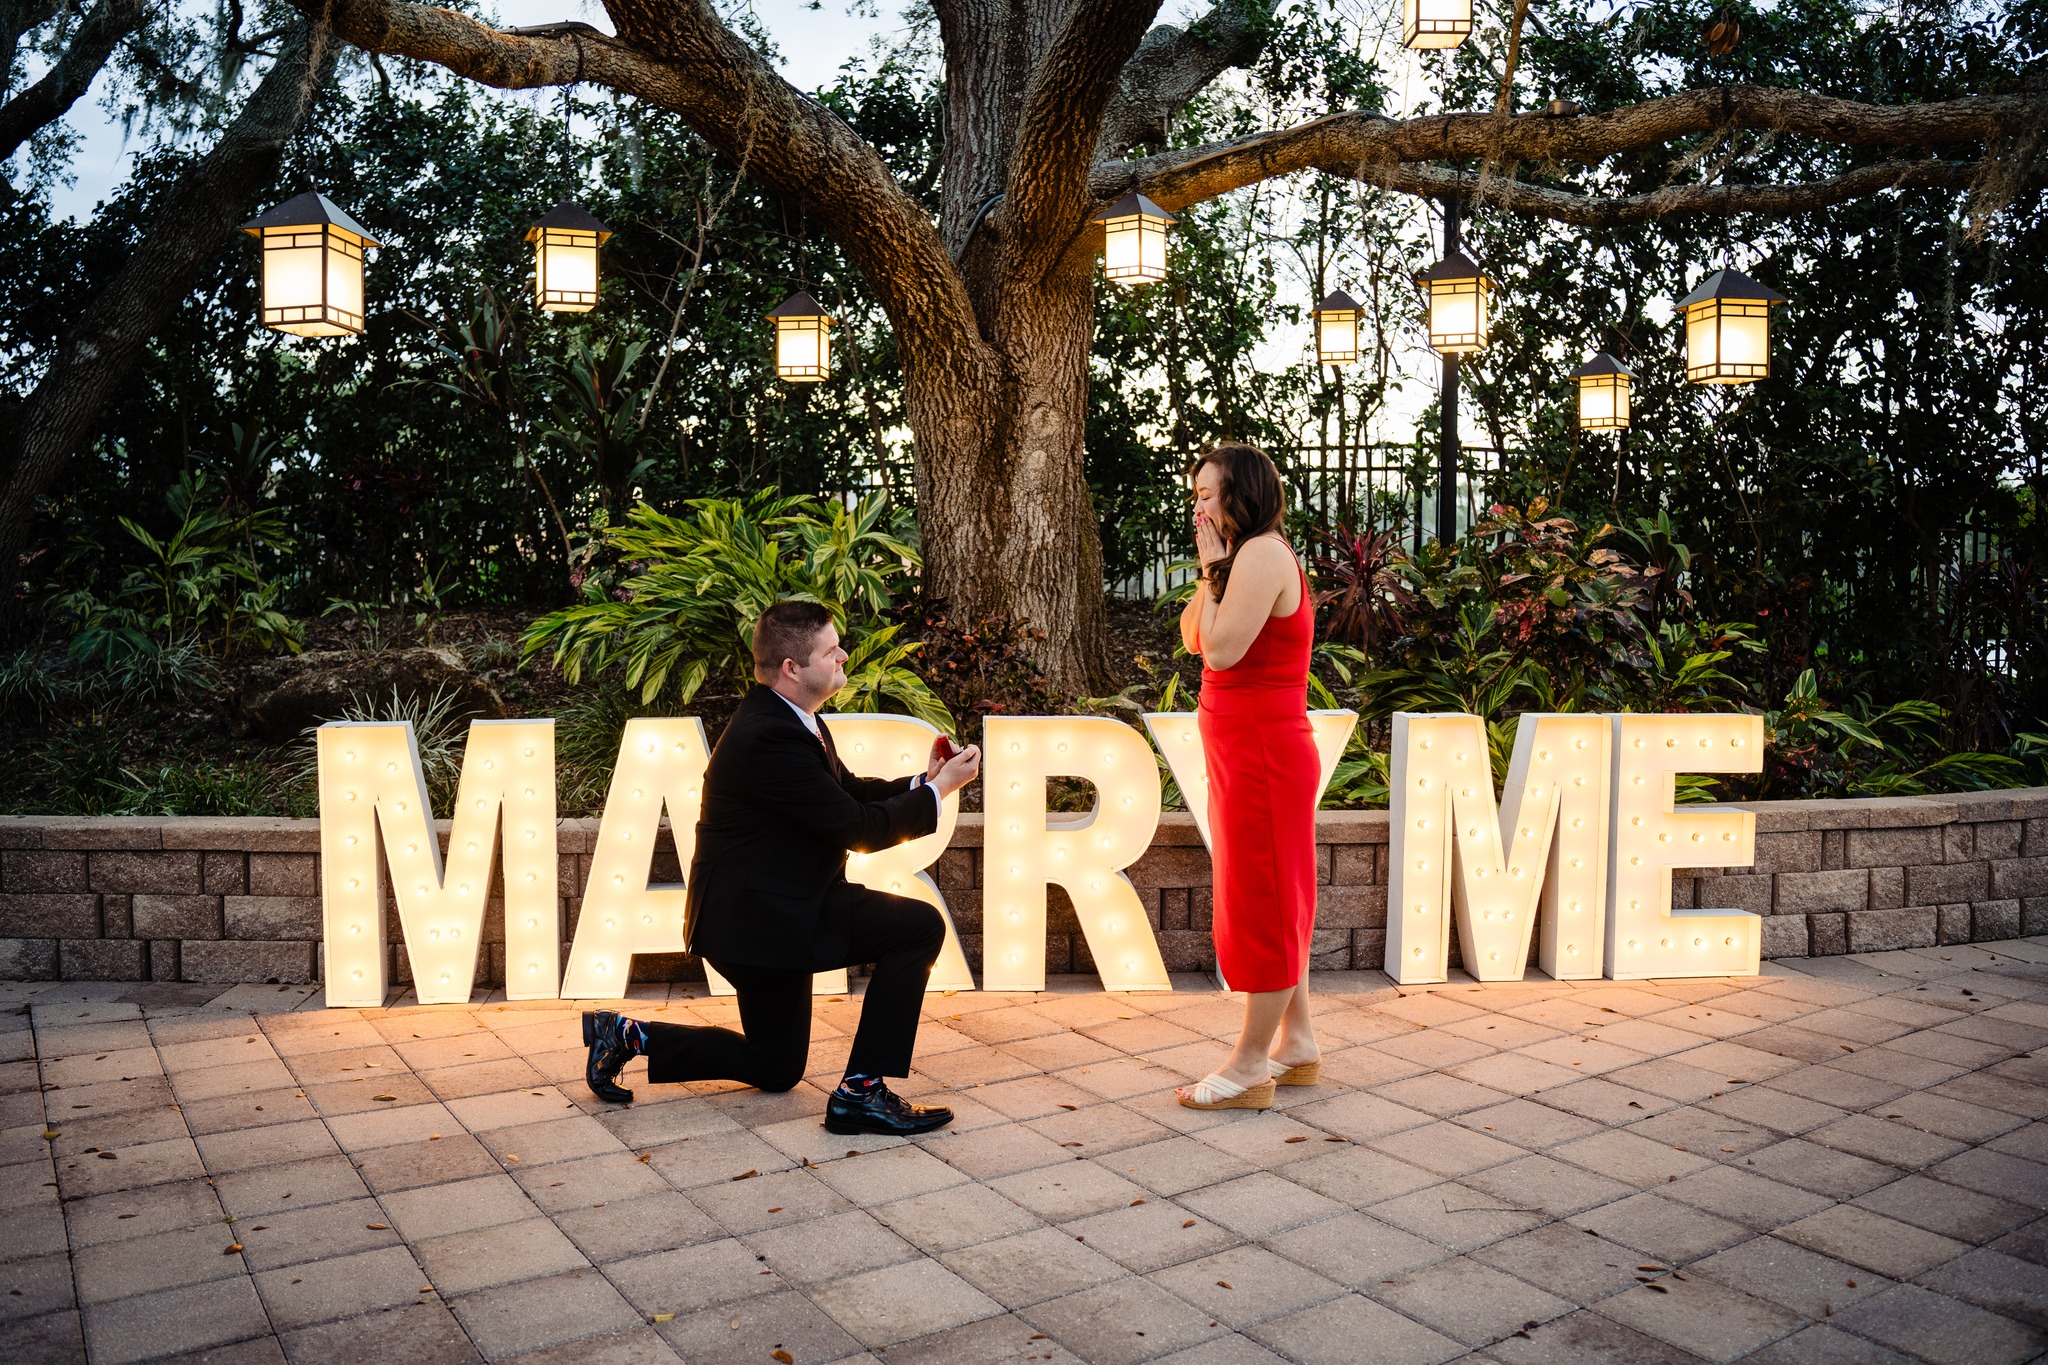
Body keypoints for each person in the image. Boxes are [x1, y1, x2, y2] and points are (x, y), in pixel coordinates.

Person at [582, 599, 982, 1136]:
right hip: (762, 921)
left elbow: (847, 795)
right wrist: (942, 791)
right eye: (830, 649)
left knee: (776, 1068)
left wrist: (922, 782)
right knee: (917, 928)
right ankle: (861, 1093)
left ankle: (627, 1036)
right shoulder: (769, 737)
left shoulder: (794, 720)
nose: (843, 654)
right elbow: (859, 830)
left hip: (770, 913)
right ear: (792, 668)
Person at [1174, 442, 1322, 1110]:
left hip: (1264, 754)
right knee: (1270, 894)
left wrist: (1213, 572)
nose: (1197, 505)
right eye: (1196, 493)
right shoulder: (1238, 561)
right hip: (1244, 754)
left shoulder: (1262, 553)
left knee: (1263, 902)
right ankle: (1298, 1042)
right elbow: (1191, 636)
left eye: (1207, 493)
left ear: (1241, 494)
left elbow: (1224, 649)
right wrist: (1211, 573)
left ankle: (1249, 1064)